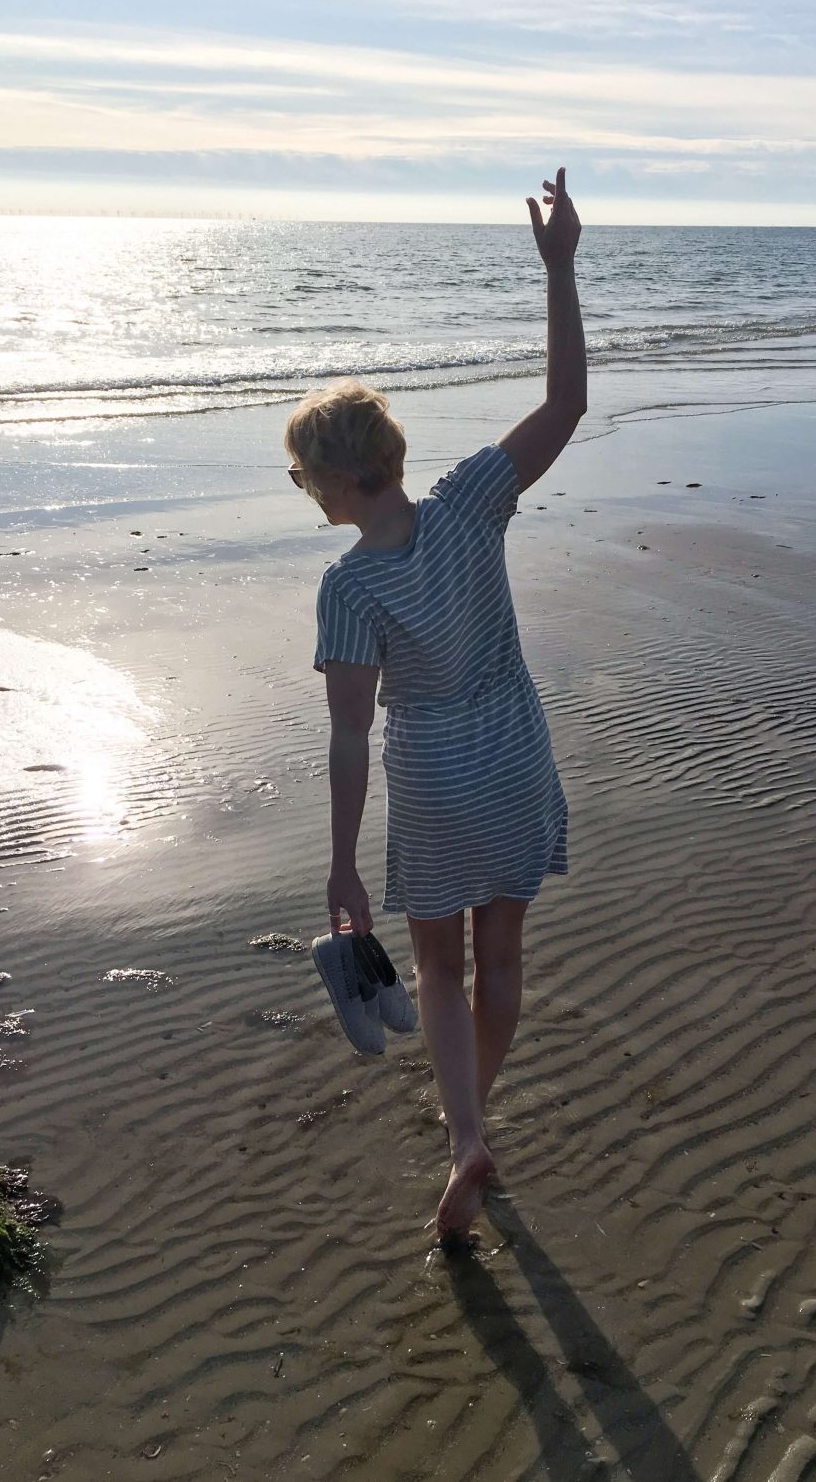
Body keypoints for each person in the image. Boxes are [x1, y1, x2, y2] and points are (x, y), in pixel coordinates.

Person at [286, 167, 586, 1240]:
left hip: (436, 776)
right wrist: (559, 269)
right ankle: (475, 1125)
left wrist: (336, 865)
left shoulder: (349, 586)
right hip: (513, 750)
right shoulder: (468, 504)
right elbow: (565, 404)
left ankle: (464, 1140)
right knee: (502, 963)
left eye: (304, 480)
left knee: (438, 971)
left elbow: (350, 736)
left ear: (331, 482)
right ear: (391, 458)